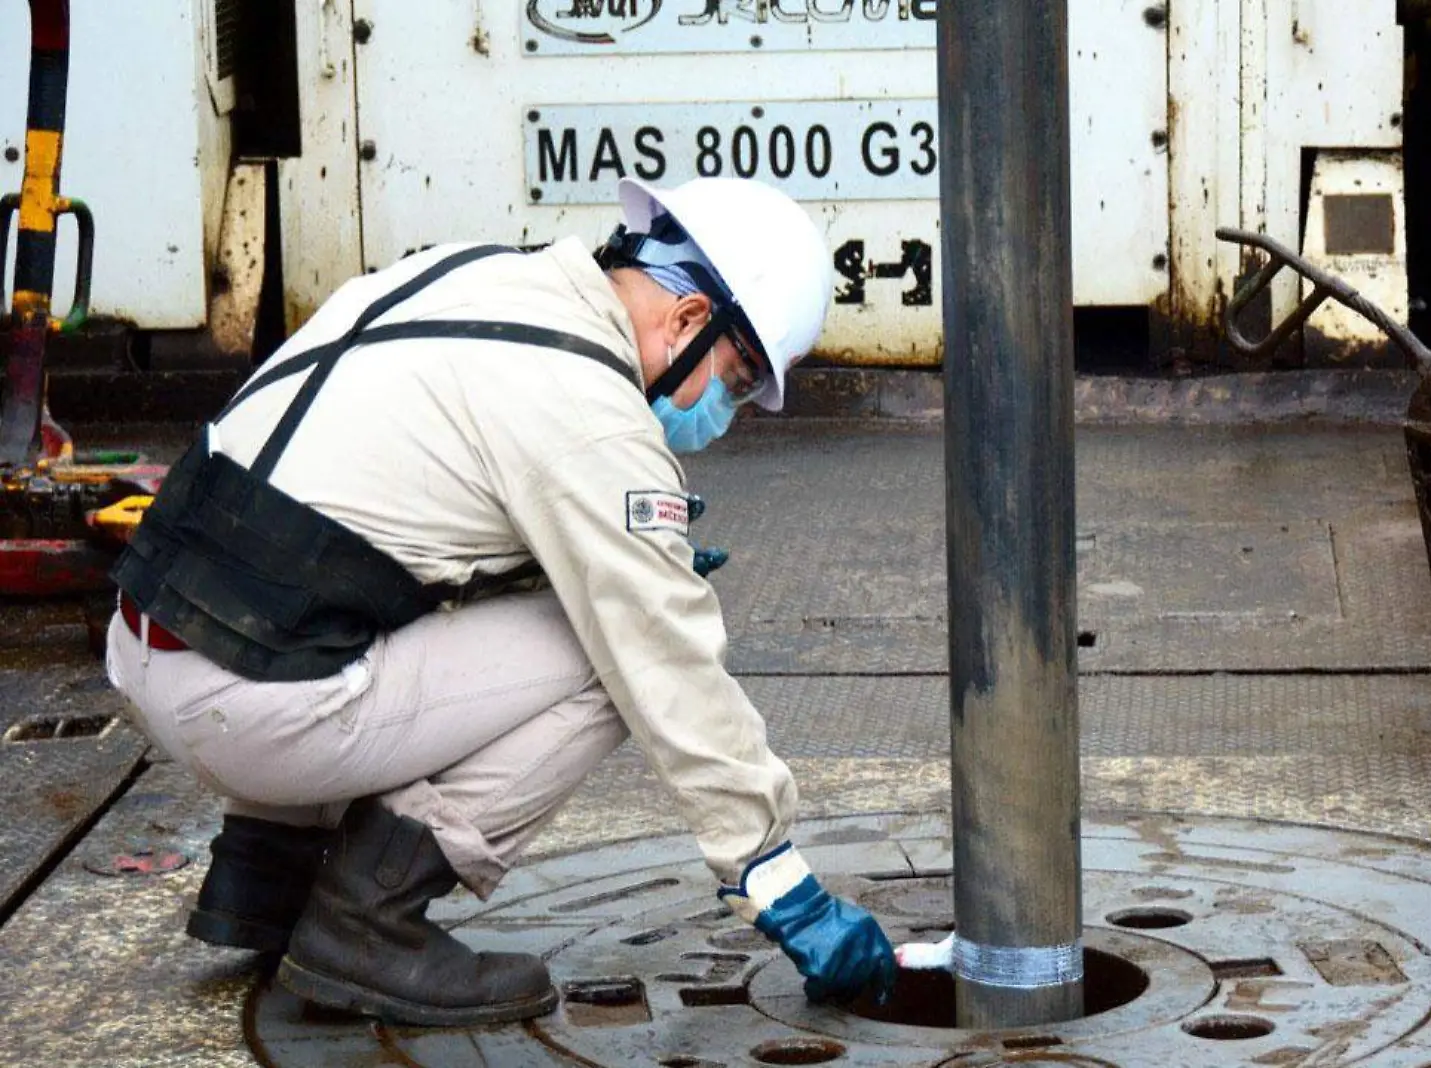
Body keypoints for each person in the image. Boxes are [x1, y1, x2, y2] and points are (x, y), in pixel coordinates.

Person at [103, 176, 898, 1026]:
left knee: (418, 573)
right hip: (252, 709)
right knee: (615, 645)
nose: (725, 413)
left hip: (151, 646)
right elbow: (668, 661)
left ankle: (266, 875)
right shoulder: (592, 411)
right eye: (738, 381)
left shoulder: (465, 274)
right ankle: (365, 921)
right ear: (689, 319)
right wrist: (780, 881)